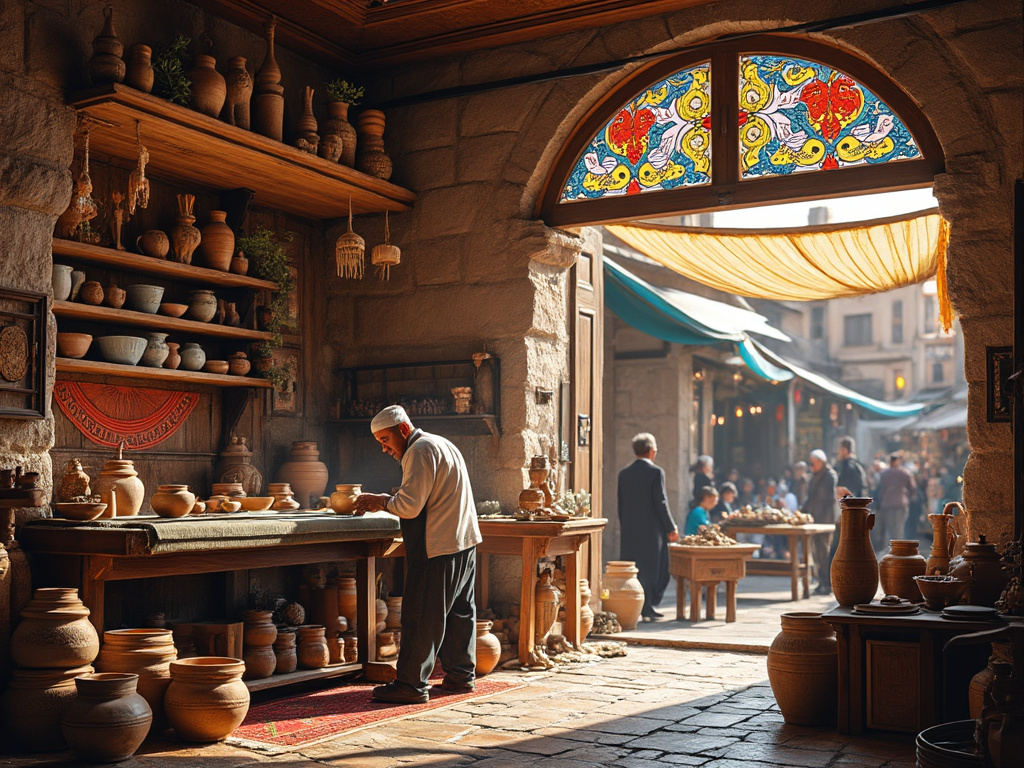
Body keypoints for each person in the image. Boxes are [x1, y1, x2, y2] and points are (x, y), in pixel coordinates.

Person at [354, 405, 482, 704]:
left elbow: (409, 506)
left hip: (438, 546)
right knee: (458, 612)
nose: (384, 448)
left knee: (421, 616)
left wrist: (380, 501)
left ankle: (410, 685)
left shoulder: (419, 450)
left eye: (385, 440)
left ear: (402, 429)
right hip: (464, 542)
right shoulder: (441, 443)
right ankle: (461, 676)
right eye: (379, 443)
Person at [618, 433, 679, 621]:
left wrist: (625, 525)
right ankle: (648, 606)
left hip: (630, 529)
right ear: (652, 451)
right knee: (653, 569)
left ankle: (634, 606)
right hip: (652, 531)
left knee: (633, 569)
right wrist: (671, 527)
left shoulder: (624, 474)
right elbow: (660, 502)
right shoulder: (655, 472)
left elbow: (621, 504)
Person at [804, 449, 839, 595]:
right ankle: (821, 581)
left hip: (825, 518)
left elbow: (827, 498)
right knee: (816, 552)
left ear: (820, 462)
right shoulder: (815, 476)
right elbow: (810, 498)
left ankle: (827, 583)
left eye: (813, 463)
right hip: (815, 518)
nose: (811, 466)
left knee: (824, 551)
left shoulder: (829, 475)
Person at [876, 453, 917, 555]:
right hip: (900, 502)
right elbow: (912, 489)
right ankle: (898, 552)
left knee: (889, 529)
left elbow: (880, 489)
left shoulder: (884, 474)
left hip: (887, 503)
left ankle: (888, 552)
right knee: (899, 528)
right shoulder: (905, 473)